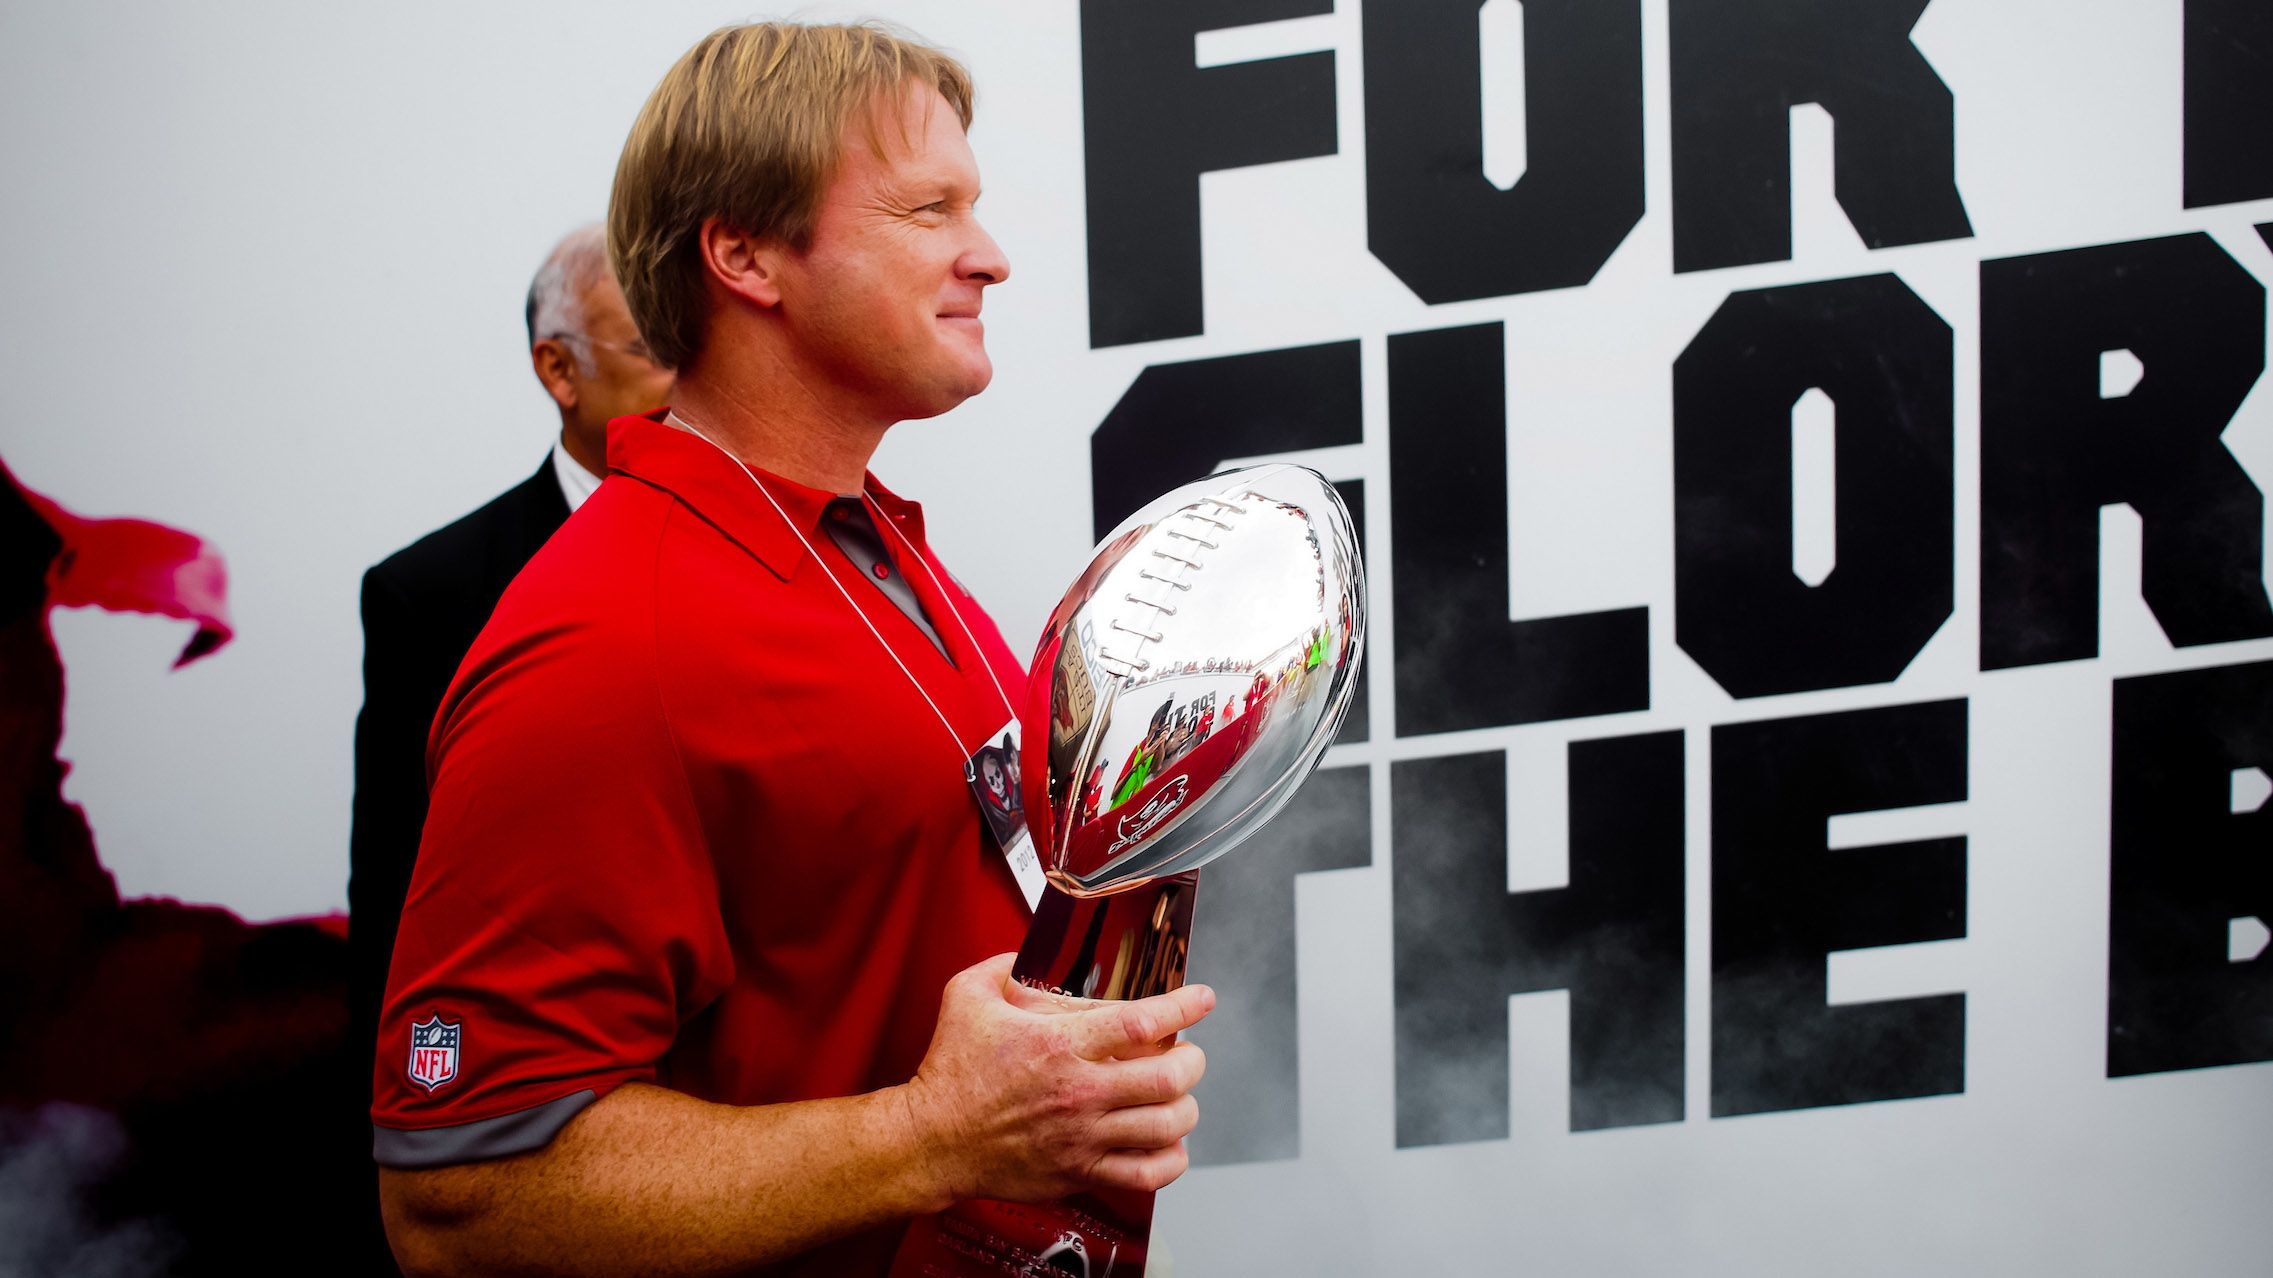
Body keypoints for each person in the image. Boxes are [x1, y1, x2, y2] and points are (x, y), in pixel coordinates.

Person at [371, 22, 1213, 1278]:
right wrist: (929, 1137)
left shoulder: (878, 552)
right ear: (744, 255)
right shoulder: (604, 640)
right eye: (927, 209)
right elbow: (461, 1198)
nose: (987, 257)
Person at [348, 224, 672, 1271]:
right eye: (649, 349)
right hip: (545, 1108)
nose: (682, 380)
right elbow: (395, 884)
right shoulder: (434, 594)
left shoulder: (803, 552)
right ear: (556, 369)